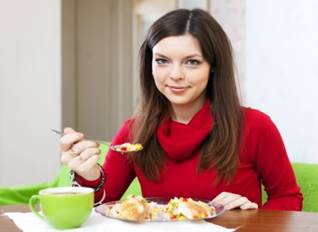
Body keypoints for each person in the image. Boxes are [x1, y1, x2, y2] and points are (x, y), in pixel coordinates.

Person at [60, 8, 303, 211]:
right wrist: (89, 175)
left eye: (192, 62)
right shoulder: (133, 133)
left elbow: (289, 199)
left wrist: (252, 217)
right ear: (150, 65)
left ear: (213, 66)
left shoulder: (255, 126)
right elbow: (100, 206)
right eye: (162, 61)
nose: (175, 75)